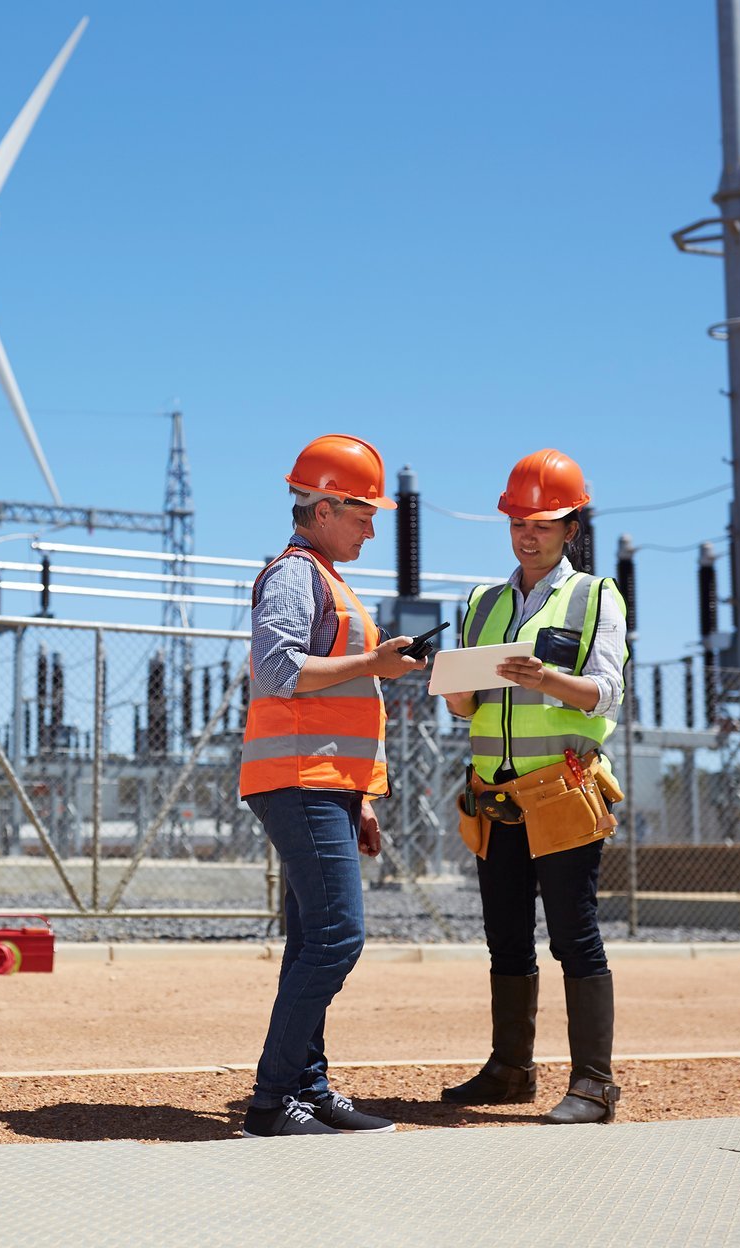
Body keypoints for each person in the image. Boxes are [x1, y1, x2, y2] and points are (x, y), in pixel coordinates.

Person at [237, 434, 426, 1138]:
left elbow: (335, 693)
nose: (373, 527)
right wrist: (374, 664)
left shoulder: (327, 577)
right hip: (298, 779)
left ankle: (308, 1088)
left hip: (326, 785)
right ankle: (271, 1099)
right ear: (321, 508)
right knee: (339, 937)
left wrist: (361, 797)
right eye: (362, 514)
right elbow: (279, 672)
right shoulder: (293, 576)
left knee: (311, 938)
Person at [440, 448, 627, 1124]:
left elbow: (606, 693)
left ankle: (594, 1085)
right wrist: (457, 693)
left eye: (544, 523)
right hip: (495, 796)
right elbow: (464, 710)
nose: (529, 533)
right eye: (519, 521)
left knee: (574, 935)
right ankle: (510, 1069)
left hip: (563, 793)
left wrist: (545, 679)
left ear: (571, 528)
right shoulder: (483, 604)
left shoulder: (594, 596)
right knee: (506, 937)